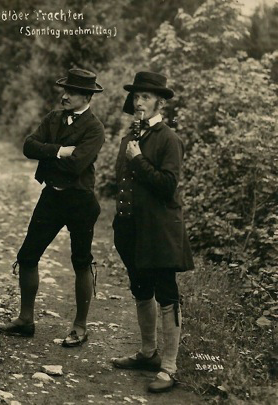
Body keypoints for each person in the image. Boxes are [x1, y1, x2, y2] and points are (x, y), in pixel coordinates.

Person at [0, 69, 105, 348]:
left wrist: (49, 153)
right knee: (27, 256)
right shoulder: (53, 118)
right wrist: (59, 151)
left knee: (81, 261)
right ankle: (25, 320)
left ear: (87, 97)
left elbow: (77, 165)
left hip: (80, 201)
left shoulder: (95, 128)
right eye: (64, 91)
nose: (64, 96)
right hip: (51, 197)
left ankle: (80, 326)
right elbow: (28, 146)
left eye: (72, 92)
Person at [111, 71, 194, 393]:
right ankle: (148, 353)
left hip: (160, 230)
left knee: (166, 292)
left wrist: (138, 160)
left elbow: (168, 185)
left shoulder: (169, 139)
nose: (138, 102)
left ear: (160, 102)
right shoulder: (129, 138)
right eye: (136, 96)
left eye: (145, 96)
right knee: (140, 287)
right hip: (131, 228)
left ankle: (169, 367)